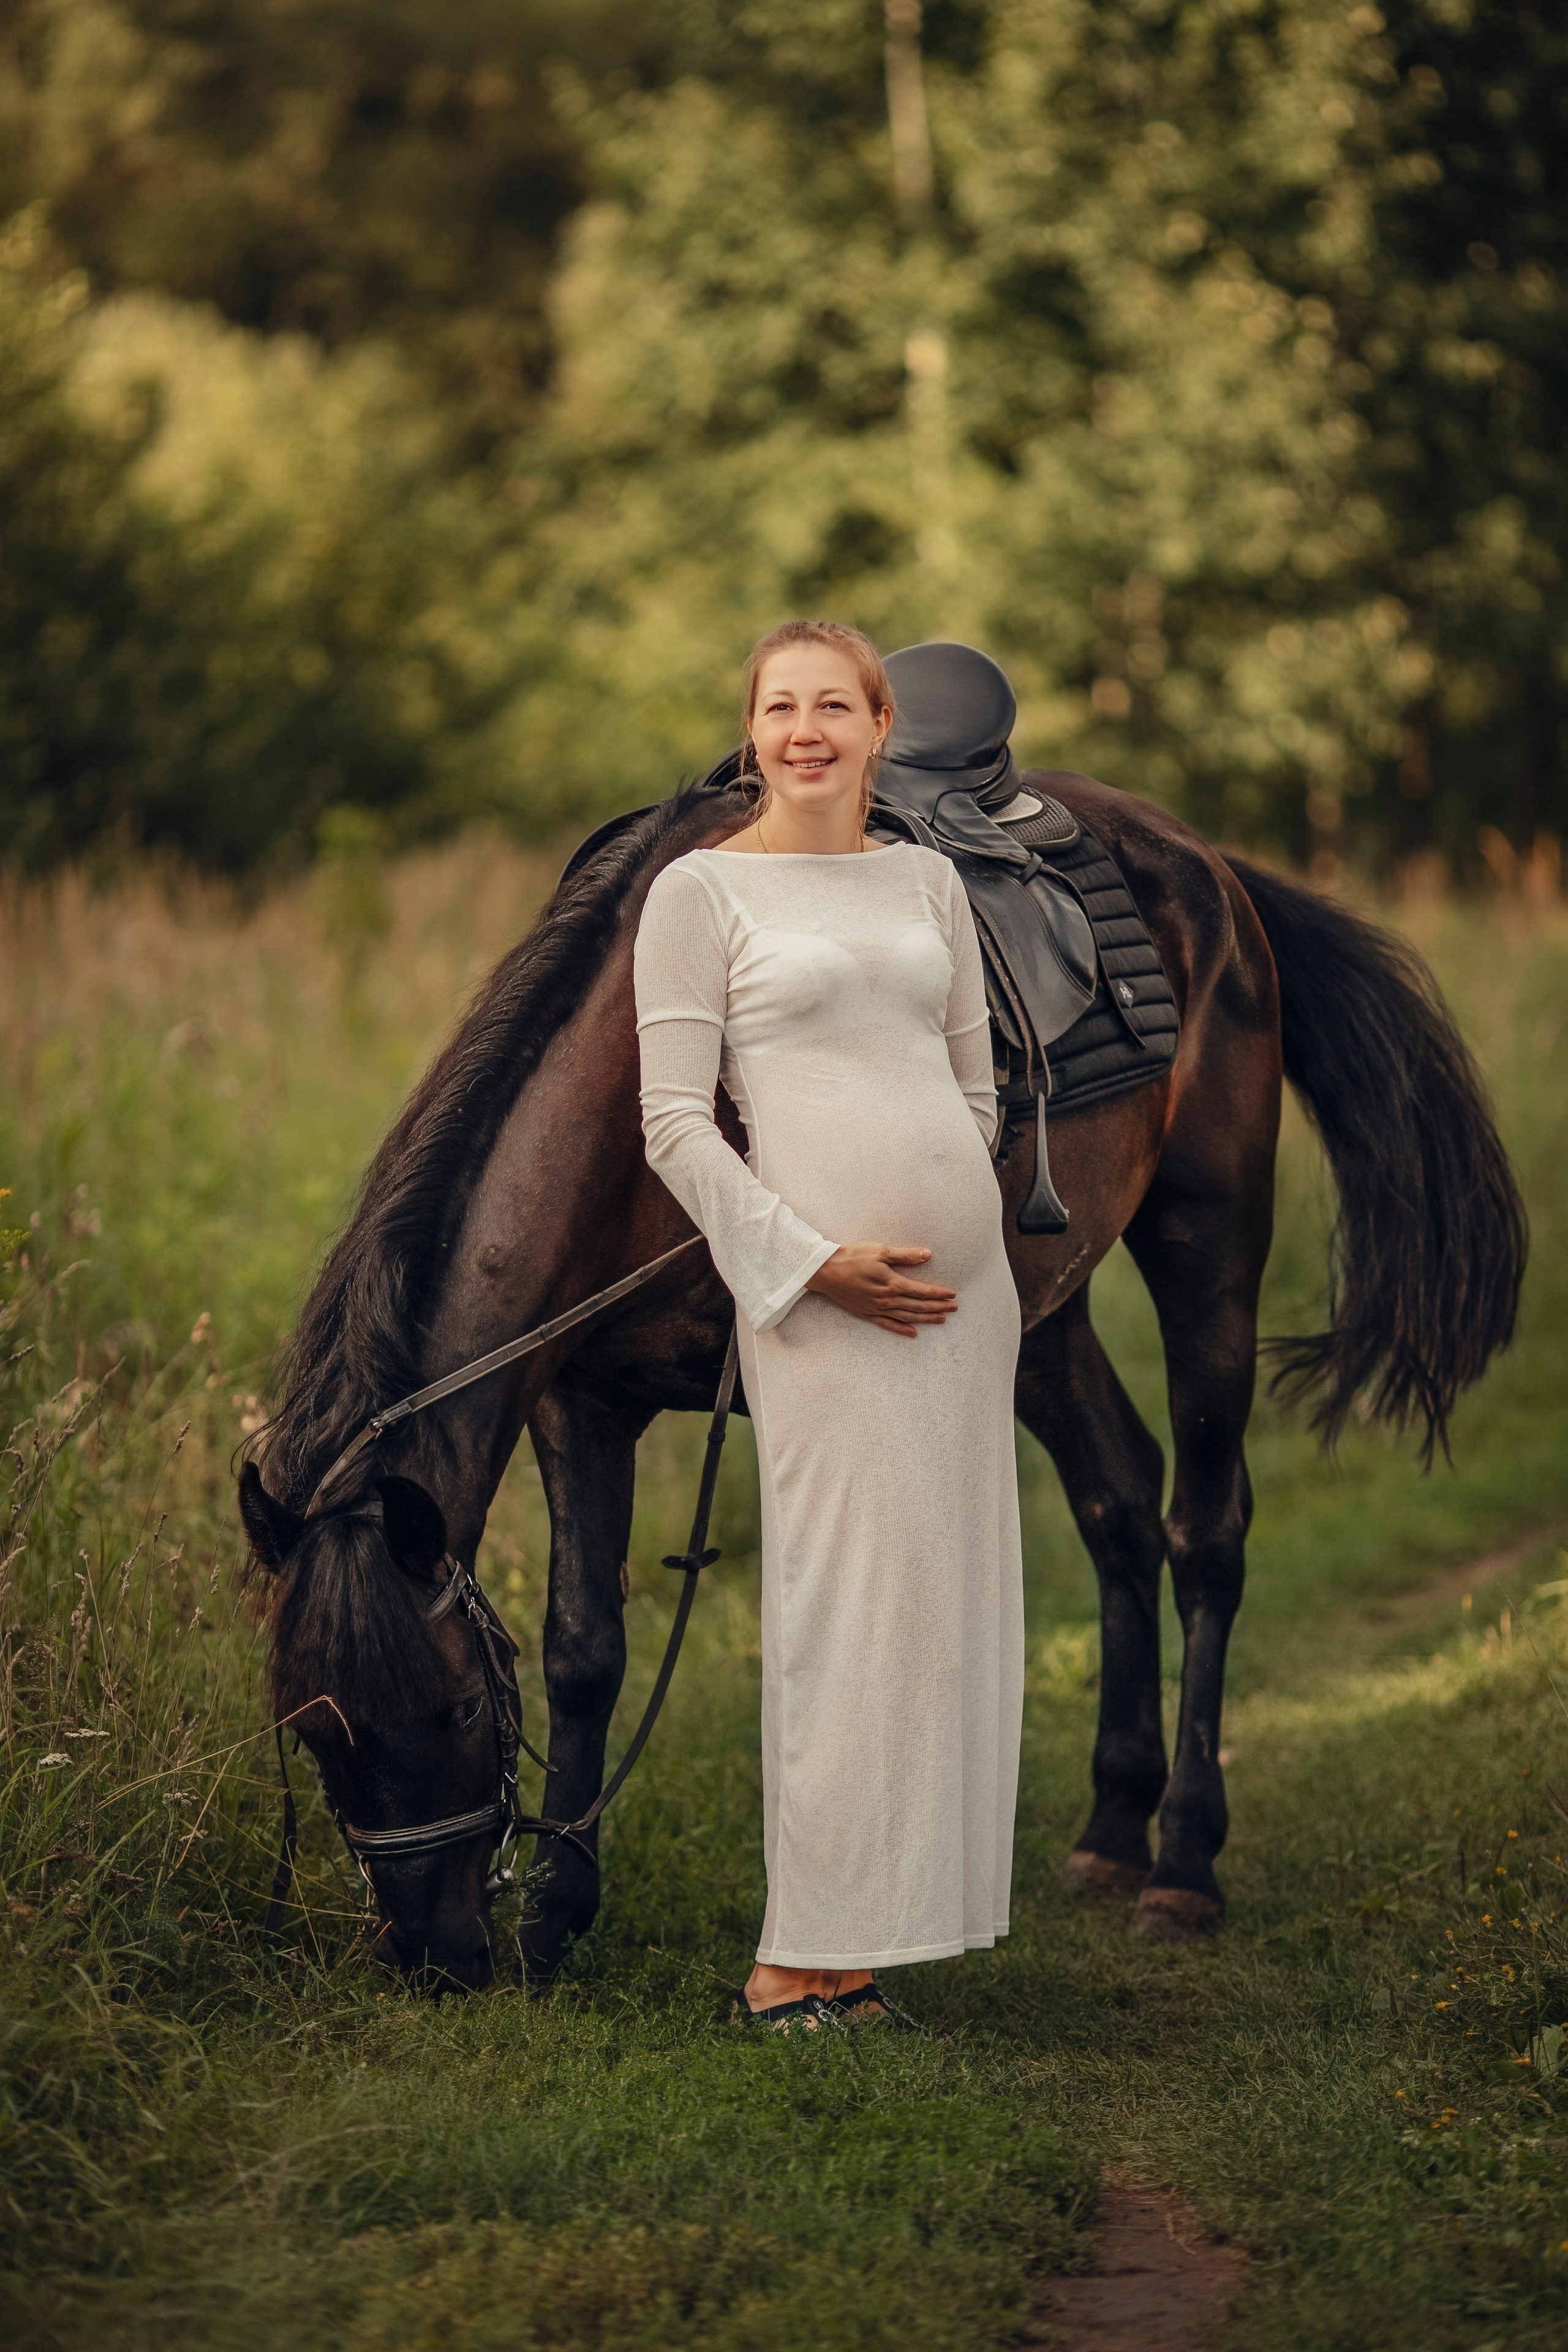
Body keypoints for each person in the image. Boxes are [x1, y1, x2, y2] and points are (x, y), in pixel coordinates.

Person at [632, 620, 1024, 2031]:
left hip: (961, 1309)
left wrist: (958, 1219)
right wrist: (807, 1263)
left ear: (877, 726)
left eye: (831, 707)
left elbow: (971, 1087)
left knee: (930, 1620)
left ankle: (856, 1950)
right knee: (839, 1613)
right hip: (820, 1300)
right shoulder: (698, 895)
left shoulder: (925, 879)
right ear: (751, 732)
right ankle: (783, 1963)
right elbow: (673, 1122)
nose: (803, 730)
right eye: (776, 707)